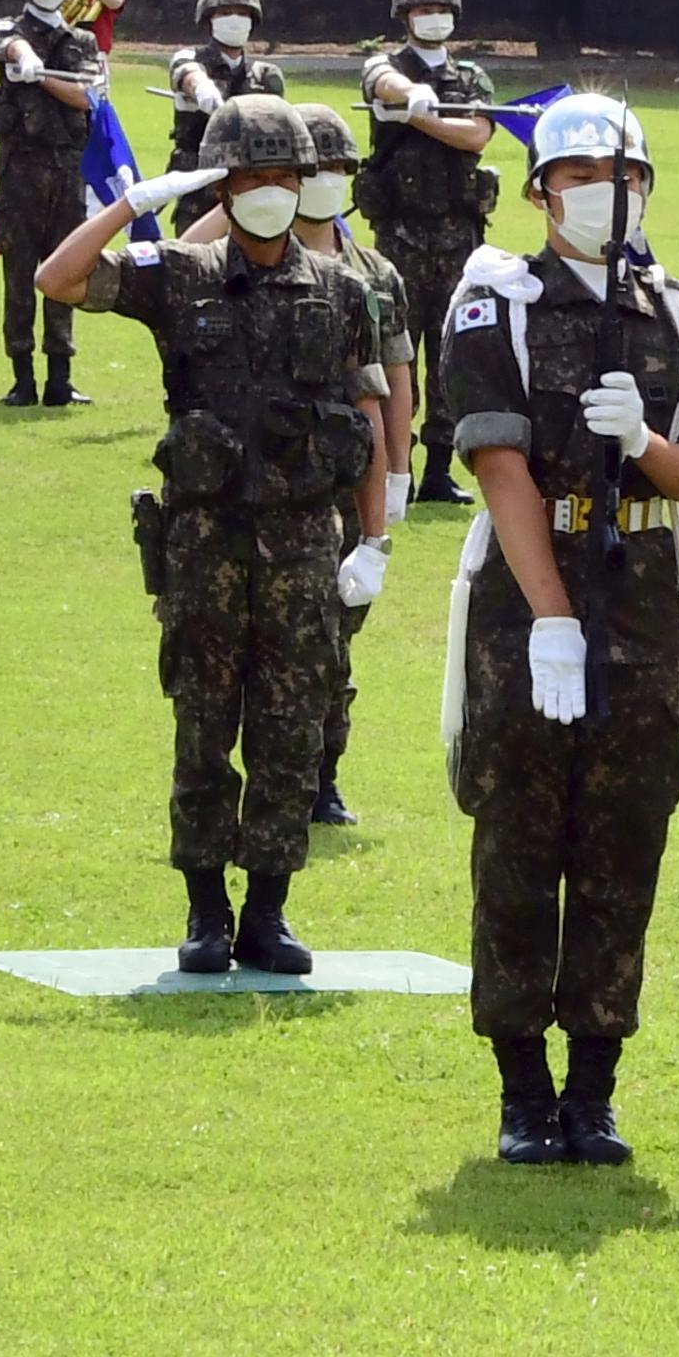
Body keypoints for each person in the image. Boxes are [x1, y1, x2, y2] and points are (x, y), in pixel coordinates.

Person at [438, 93, 679, 1168]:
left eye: (626, 177)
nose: (610, 195)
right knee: (519, 844)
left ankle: (595, 1086)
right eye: (583, 179)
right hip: (532, 597)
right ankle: (522, 1087)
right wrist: (552, 619)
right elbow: (500, 464)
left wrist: (644, 440)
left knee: (622, 851)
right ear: (542, 193)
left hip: (645, 598)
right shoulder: (498, 301)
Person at [35, 96, 387, 984]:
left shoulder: (345, 290)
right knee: (202, 726)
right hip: (206, 543)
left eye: (281, 178)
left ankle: (268, 910)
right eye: (248, 178)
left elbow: (369, 421)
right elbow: (59, 279)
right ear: (220, 185)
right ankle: (204, 910)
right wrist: (135, 201)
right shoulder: (180, 274)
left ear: (304, 186)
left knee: (290, 731)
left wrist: (373, 540)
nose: (267, 193)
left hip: (306, 541)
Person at [185, 103, 415, 824]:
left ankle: (324, 772)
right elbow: (182, 254)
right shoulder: (234, 254)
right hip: (260, 489)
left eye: (334, 169)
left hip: (342, 478)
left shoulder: (368, 274)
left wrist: (399, 473)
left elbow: (393, 378)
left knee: (329, 649)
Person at [358, 0, 501, 505]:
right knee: (396, 357)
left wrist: (418, 117)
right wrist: (411, 94)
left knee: (450, 355)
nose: (431, 17)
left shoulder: (472, 78)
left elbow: (476, 134)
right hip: (400, 237)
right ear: (405, 17)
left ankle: (440, 469)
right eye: (421, 10)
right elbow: (380, 81)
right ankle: (399, 468)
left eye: (439, 9)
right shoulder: (388, 66)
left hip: (458, 239)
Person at [0, 0, 108, 409]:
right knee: (18, 278)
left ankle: (60, 378)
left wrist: (41, 79)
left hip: (67, 173)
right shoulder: (10, 30)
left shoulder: (82, 42)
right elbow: (8, 44)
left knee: (65, 272)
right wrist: (25, 57)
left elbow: (84, 97)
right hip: (20, 173)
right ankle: (21, 378)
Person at [167, 0, 283, 226]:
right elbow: (188, 75)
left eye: (243, 13)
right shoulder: (190, 59)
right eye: (226, 12)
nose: (235, 19)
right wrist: (203, 91)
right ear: (209, 18)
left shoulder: (264, 75)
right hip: (200, 191)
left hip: (251, 189)